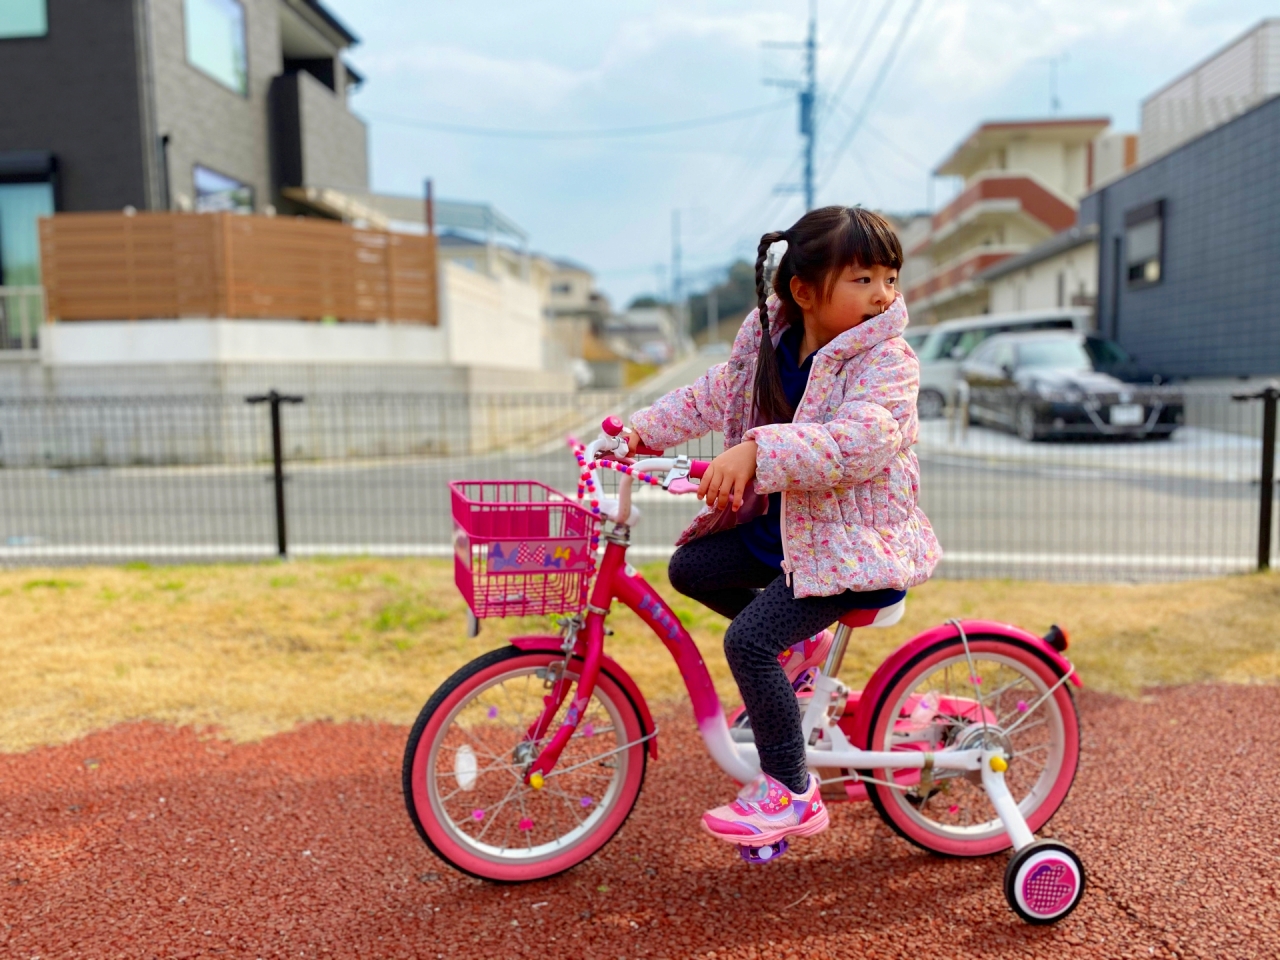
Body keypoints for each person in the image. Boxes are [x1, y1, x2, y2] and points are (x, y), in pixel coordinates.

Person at [625, 206, 940, 849]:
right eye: (862, 279)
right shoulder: (769, 340)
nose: (883, 294)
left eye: (889, 277)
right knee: (691, 567)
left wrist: (757, 454)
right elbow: (718, 393)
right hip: (792, 538)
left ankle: (792, 794)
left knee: (748, 643)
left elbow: (860, 441)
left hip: (854, 553)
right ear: (803, 291)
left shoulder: (888, 360)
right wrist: (640, 431)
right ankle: (803, 656)